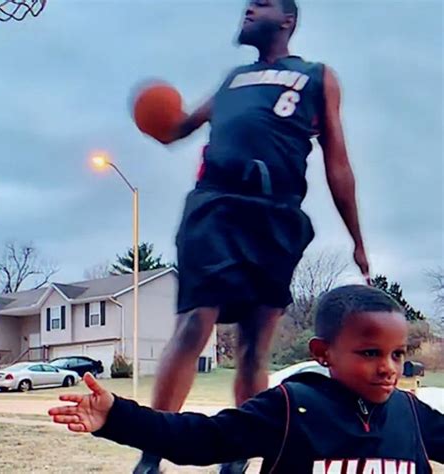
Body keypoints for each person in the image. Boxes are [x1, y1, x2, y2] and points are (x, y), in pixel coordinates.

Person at [134, 0, 370, 472]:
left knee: (254, 343)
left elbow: (337, 161)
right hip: (217, 202)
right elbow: (179, 128)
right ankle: (153, 451)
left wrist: (356, 237)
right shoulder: (231, 81)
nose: (247, 10)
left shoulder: (317, 75)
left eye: (259, 5)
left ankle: (239, 453)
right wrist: (156, 114)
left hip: (278, 213)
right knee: (196, 319)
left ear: (288, 20)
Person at [48, 285, 444, 473]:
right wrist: (117, 416)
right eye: (370, 353)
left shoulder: (411, 413)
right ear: (323, 353)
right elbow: (200, 441)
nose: (388, 367)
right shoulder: (290, 407)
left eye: (397, 354)